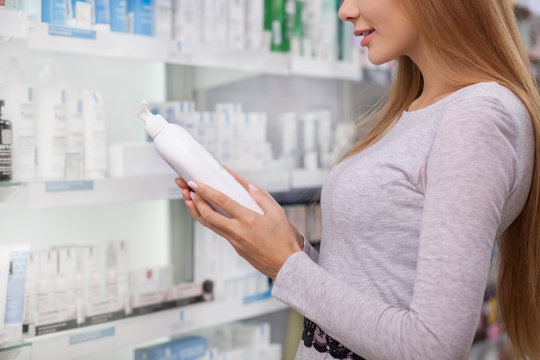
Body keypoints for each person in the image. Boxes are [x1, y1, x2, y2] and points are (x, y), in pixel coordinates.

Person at [175, 0, 540, 358]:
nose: (344, 10)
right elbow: (372, 280)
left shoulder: (477, 116)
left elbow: (433, 347)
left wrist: (284, 264)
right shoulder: (420, 108)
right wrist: (285, 245)